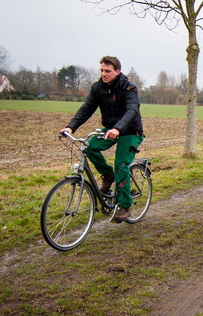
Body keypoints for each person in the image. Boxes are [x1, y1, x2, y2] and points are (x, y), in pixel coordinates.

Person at [60, 56, 144, 223]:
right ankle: (107, 175)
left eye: (108, 71)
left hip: (130, 131)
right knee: (89, 147)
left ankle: (125, 206)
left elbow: (132, 110)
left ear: (117, 71)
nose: (104, 74)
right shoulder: (98, 88)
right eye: (102, 71)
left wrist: (117, 128)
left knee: (121, 164)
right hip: (110, 129)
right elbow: (86, 109)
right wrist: (71, 127)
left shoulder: (128, 88)